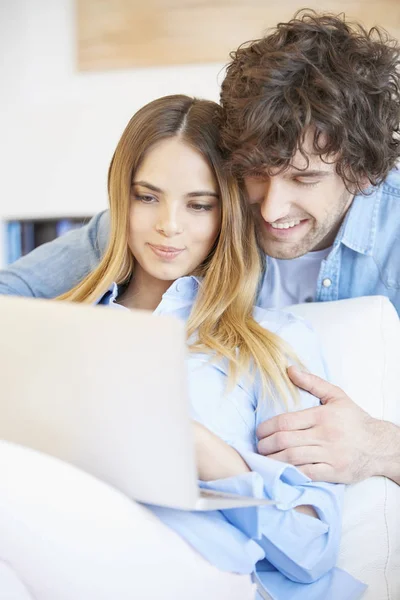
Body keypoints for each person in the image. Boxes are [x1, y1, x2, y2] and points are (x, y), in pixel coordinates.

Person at [0, 11, 399, 487]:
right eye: (256, 171)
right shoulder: (184, 226)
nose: (271, 210)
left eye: (304, 178)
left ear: (363, 169)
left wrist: (380, 446)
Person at [0, 94, 365, 600]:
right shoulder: (65, 326)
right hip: (64, 538)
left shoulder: (274, 342)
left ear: (228, 214)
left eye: (198, 205)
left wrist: (200, 449)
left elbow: (312, 551)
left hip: (203, 564)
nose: (168, 224)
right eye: (147, 197)